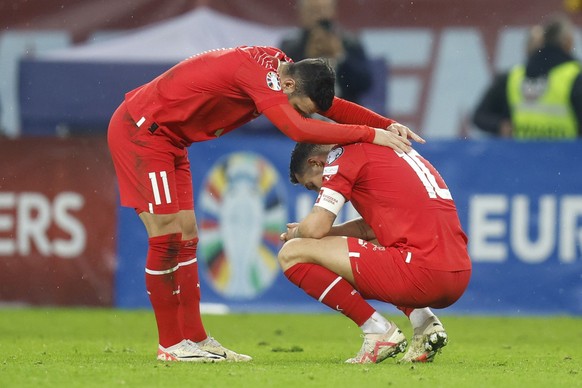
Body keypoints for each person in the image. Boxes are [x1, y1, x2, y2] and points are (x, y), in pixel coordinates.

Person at [107, 45, 424, 363]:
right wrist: (370, 134)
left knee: (187, 235)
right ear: (288, 86)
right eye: (298, 106)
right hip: (143, 133)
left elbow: (332, 108)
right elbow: (297, 129)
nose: (298, 112)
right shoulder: (260, 75)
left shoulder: (284, 72)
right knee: (166, 235)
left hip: (172, 139)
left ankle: (195, 339)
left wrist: (385, 124)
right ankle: (171, 345)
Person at [278, 142, 471, 364]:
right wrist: (324, 235)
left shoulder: (342, 158)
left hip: (422, 275)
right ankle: (424, 322)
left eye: (312, 185)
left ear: (317, 163)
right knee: (380, 238)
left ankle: (378, 330)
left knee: (292, 252)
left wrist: (297, 234)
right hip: (458, 274)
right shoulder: (385, 152)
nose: (317, 191)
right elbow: (370, 229)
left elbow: (315, 228)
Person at [473, 14, 582, 138]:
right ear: (568, 42)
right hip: (567, 154)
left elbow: (480, 116)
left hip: (523, 154)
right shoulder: (575, 76)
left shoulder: (513, 77)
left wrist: (501, 126)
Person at [279, 0, 373, 104]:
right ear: (302, 14)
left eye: (324, 10)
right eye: (313, 11)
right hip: (302, 114)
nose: (320, 16)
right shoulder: (290, 46)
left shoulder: (350, 44)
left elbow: (365, 84)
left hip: (344, 111)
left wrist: (341, 57)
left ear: (333, 11)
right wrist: (306, 59)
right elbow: (281, 85)